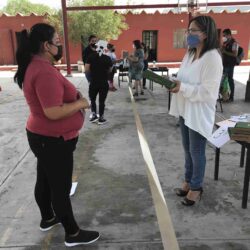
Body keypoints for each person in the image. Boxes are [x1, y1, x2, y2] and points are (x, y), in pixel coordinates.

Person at [14, 23, 99, 246]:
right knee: (59, 187)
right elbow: (52, 111)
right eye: (57, 42)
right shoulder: (42, 71)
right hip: (52, 140)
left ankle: (48, 218)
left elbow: (53, 100)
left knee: (44, 178)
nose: (59, 44)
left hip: (42, 136)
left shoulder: (38, 65)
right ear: (46, 45)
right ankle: (73, 233)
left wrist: (72, 95)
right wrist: (80, 102)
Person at [169, 16, 223, 206]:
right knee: (187, 150)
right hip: (185, 108)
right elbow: (183, 77)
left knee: (196, 150)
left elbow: (208, 93)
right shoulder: (190, 53)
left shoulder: (213, 58)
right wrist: (174, 83)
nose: (189, 34)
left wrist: (182, 87)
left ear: (206, 34)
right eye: (188, 30)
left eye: (193, 31)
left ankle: (196, 187)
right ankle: (188, 180)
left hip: (199, 112)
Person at [85, 40, 113, 125]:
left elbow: (86, 69)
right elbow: (110, 69)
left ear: (97, 47)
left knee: (92, 99)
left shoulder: (90, 57)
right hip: (104, 82)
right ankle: (101, 118)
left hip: (93, 82)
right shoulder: (107, 58)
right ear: (105, 48)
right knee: (102, 101)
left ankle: (93, 115)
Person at [221, 28, 238, 102]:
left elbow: (235, 54)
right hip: (224, 64)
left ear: (229, 35)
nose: (223, 37)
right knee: (223, 80)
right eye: (223, 35)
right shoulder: (225, 43)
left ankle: (231, 96)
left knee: (230, 80)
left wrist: (224, 51)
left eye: (224, 35)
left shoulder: (234, 43)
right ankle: (225, 96)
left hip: (230, 65)